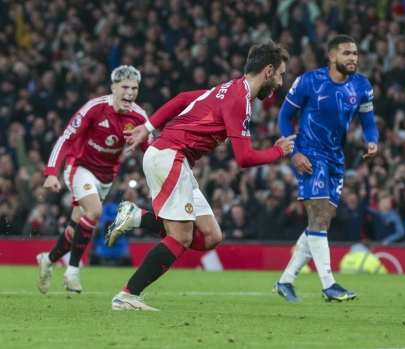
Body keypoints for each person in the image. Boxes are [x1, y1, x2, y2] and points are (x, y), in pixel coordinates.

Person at [108, 41, 295, 311]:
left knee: (210, 236)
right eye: (280, 74)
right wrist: (278, 151)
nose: (280, 82)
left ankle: (137, 217)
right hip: (170, 156)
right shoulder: (238, 100)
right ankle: (127, 295)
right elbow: (244, 158)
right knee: (181, 237)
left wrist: (147, 127)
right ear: (268, 71)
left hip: (176, 160)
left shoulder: (228, 88)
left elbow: (185, 98)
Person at [273, 35, 379, 302]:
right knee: (319, 219)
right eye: (346, 53)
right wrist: (294, 152)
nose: (353, 57)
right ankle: (329, 286)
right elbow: (285, 116)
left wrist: (372, 141)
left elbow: (368, 122)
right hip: (309, 154)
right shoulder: (310, 80)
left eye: (355, 53)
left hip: (336, 159)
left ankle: (285, 282)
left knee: (321, 222)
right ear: (332, 57)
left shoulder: (362, 86)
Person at [36, 65, 151, 294]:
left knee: (77, 226)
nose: (129, 93)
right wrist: (51, 172)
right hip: (79, 167)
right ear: (113, 88)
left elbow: (151, 151)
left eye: (134, 88)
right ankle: (72, 271)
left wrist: (158, 181)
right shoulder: (95, 108)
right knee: (95, 212)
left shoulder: (139, 116)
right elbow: (66, 138)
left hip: (106, 177)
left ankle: (47, 261)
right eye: (125, 87)